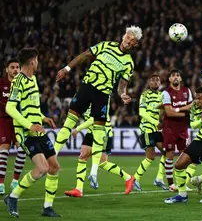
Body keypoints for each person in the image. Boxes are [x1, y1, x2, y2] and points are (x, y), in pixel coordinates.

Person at [55, 26, 142, 189]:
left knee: (98, 132)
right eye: (128, 37)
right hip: (87, 86)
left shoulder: (128, 63)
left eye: (133, 41)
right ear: (124, 36)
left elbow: (122, 85)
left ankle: (93, 173)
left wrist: (123, 94)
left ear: (135, 45)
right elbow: (85, 55)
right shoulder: (105, 45)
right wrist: (67, 68)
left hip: (103, 94)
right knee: (69, 121)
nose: (129, 42)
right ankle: (53, 155)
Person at [4, 48, 60, 217]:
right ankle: (12, 197)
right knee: (42, 168)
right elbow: (10, 107)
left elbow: (31, 106)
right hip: (26, 133)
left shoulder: (33, 79)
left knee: (54, 167)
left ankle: (47, 207)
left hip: (39, 131)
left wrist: (43, 118)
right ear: (31, 61)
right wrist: (29, 125)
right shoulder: (17, 81)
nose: (38, 62)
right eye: (37, 59)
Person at [64, 106, 134, 197]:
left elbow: (94, 118)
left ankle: (128, 178)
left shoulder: (97, 96)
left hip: (103, 132)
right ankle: (78, 189)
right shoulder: (85, 98)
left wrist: (78, 129)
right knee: (82, 157)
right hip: (91, 131)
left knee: (102, 163)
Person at [133, 74, 167, 191]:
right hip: (147, 128)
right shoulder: (145, 95)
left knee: (167, 152)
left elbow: (163, 112)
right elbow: (142, 112)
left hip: (157, 129)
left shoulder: (161, 96)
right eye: (153, 80)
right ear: (148, 83)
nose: (155, 82)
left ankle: (159, 179)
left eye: (157, 80)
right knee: (150, 157)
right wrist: (155, 122)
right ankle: (135, 179)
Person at [161, 69, 193, 191]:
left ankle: (181, 182)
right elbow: (169, 112)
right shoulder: (166, 93)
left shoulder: (187, 91)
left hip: (183, 129)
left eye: (178, 75)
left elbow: (191, 106)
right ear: (169, 79)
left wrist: (178, 110)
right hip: (170, 128)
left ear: (180, 79)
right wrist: (184, 114)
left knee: (184, 156)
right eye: (173, 75)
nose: (175, 77)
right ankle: (171, 184)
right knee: (169, 156)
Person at [0, 58, 26, 195]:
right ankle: (0, 183)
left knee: (22, 149)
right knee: (4, 149)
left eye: (17, 67)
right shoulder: (1, 83)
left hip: (18, 121)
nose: (15, 69)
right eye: (12, 67)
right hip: (3, 120)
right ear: (7, 70)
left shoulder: (22, 84)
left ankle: (15, 181)